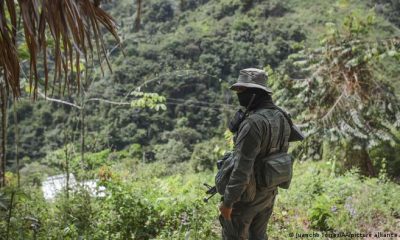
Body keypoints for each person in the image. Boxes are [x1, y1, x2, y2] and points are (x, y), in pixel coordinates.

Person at [218, 68, 291, 240]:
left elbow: (241, 169)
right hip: (268, 194)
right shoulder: (282, 117)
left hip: (246, 200)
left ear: (254, 93)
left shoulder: (253, 124)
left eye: (242, 90)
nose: (238, 94)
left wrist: (228, 202)